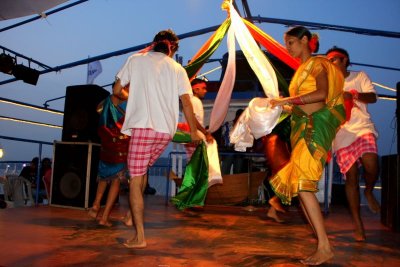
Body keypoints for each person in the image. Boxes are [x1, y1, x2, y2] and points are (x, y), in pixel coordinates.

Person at [113, 29, 201, 249]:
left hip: (143, 128)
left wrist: (131, 97)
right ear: (172, 49)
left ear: (153, 44)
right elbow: (187, 103)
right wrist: (192, 131)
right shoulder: (178, 69)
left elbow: (116, 90)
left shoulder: (136, 60)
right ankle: (131, 216)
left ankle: (139, 237)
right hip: (164, 132)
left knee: (135, 178)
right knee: (142, 172)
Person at [269, 26, 345, 265]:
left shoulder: (318, 64)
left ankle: (324, 246)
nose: (287, 47)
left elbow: (322, 94)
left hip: (315, 129)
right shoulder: (301, 71)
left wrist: (287, 100)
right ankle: (323, 246)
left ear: (305, 40)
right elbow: (301, 105)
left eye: (291, 42)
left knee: (303, 185)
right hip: (303, 129)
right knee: (303, 188)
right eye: (286, 43)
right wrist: (282, 107)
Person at [326, 47, 380, 241]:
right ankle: (358, 225)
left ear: (344, 60)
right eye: (328, 60)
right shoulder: (330, 84)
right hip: (341, 132)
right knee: (351, 177)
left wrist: (354, 95)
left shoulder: (359, 76)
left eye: (333, 59)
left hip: (362, 127)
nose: (330, 63)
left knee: (371, 162)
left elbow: (373, 97)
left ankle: (369, 190)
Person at [88, 88, 130, 227]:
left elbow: (98, 110)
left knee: (104, 176)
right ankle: (104, 217)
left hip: (106, 143)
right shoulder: (129, 101)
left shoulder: (108, 100)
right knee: (116, 180)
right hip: (121, 145)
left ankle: (96, 203)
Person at [220, 108, 246, 174]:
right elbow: (222, 138)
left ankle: (236, 182)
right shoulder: (227, 125)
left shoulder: (244, 127)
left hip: (239, 151)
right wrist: (224, 148)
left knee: (238, 171)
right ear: (237, 116)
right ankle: (225, 180)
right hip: (228, 150)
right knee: (225, 171)